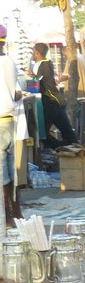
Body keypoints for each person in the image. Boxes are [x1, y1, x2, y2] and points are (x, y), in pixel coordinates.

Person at [32, 43, 76, 148]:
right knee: (68, 132)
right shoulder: (48, 63)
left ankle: (60, 148)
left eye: (33, 52)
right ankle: (73, 149)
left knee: (41, 134)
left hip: (50, 102)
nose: (32, 54)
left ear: (37, 53)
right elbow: (49, 80)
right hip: (58, 101)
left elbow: (37, 82)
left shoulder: (40, 65)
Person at [1, 34, 25, 222]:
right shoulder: (10, 62)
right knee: (12, 171)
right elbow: (15, 93)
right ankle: (17, 212)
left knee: (2, 175)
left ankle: (7, 216)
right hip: (10, 120)